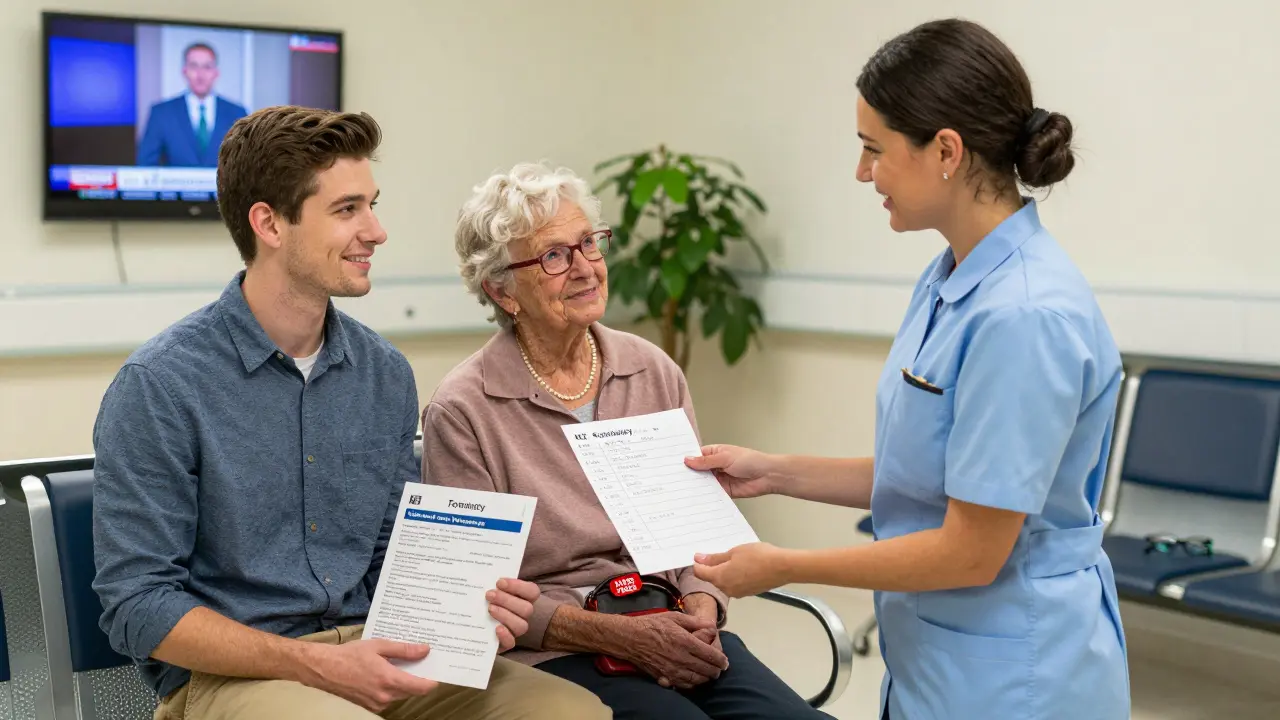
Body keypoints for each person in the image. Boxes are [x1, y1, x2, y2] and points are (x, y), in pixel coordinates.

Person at [92, 107, 610, 720]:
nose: (377, 231)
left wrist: (468, 610)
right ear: (269, 224)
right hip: (235, 678)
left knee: (574, 713)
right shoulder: (160, 386)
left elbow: (397, 557)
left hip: (377, 650)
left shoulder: (383, 374)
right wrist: (315, 663)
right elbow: (137, 606)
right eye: (347, 210)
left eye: (372, 204)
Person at [685, 18, 1130, 720]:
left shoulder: (1024, 315)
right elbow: (924, 475)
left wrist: (783, 564)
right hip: (938, 666)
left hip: (1017, 680)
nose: (863, 173)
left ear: (946, 150)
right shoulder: (948, 277)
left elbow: (971, 552)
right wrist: (773, 471)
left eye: (874, 150)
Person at [420, 162, 832, 720]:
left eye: (589, 243)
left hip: (675, 619)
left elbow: (695, 533)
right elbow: (477, 594)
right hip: (559, 651)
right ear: (501, 288)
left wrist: (705, 606)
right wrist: (617, 635)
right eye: (554, 255)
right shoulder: (465, 409)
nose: (586, 267)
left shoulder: (651, 370)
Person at [136, 42, 248, 167]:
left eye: (207, 67)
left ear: (216, 72)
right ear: (185, 71)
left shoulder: (237, 113)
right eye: (194, 66)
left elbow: (246, 165)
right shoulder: (161, 113)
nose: (200, 75)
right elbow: (145, 165)